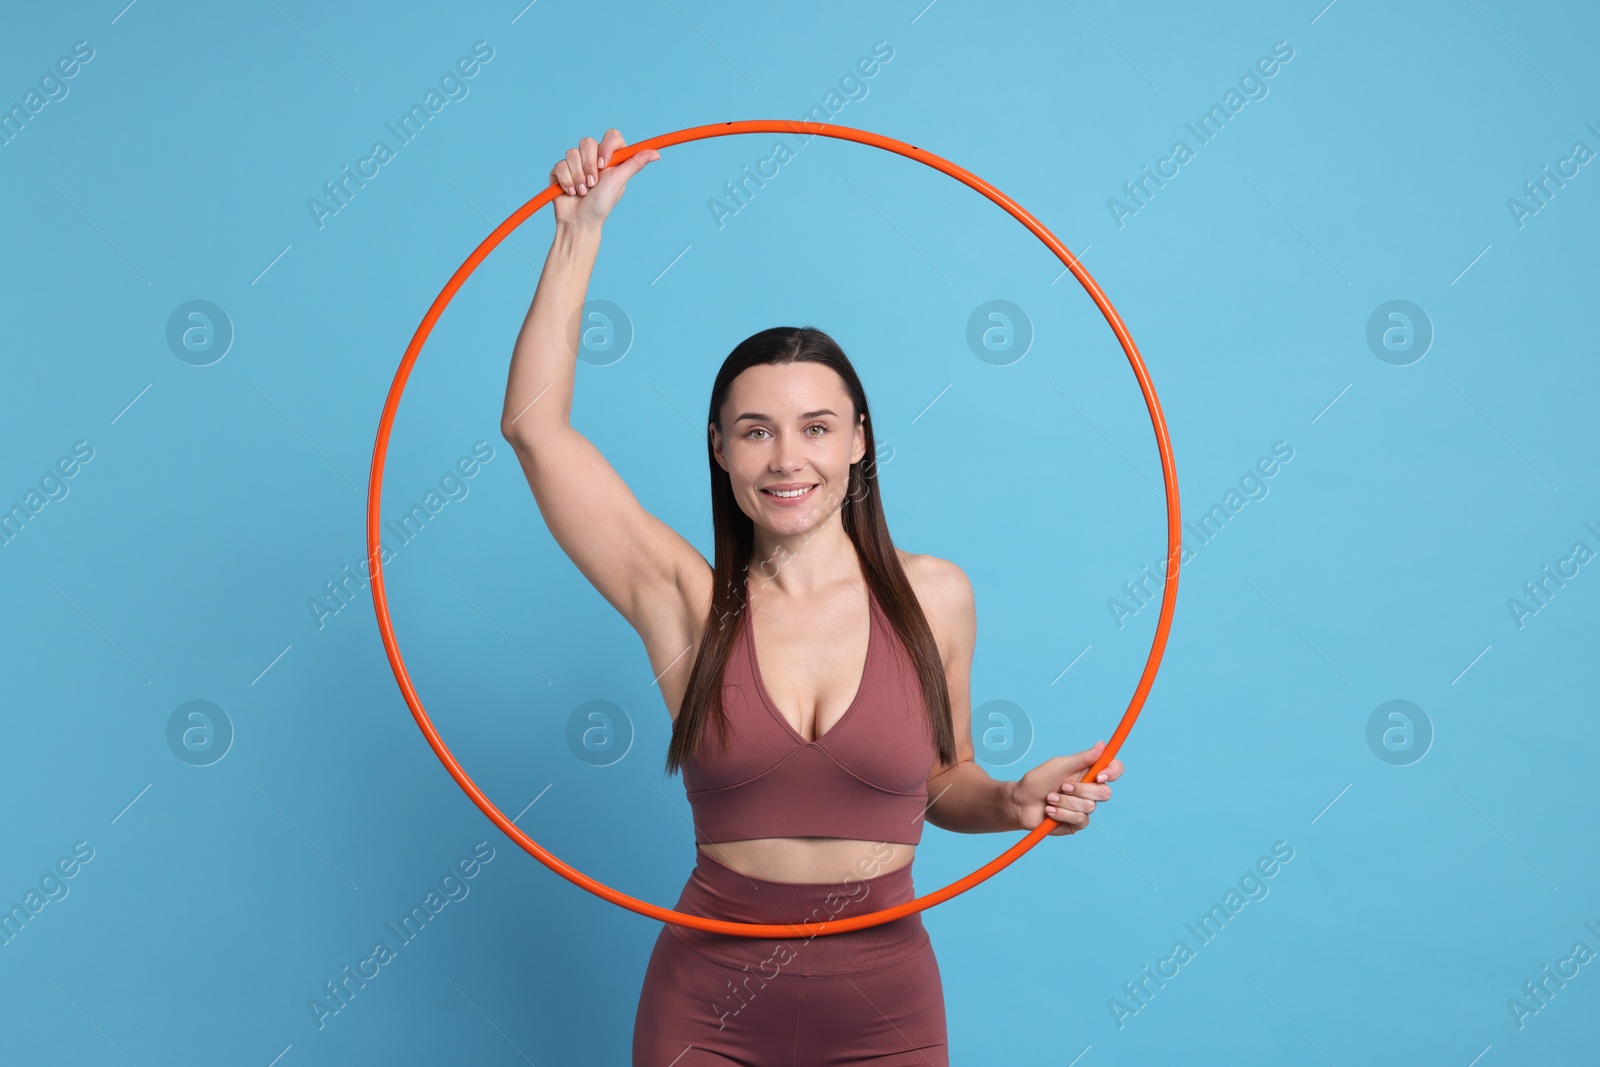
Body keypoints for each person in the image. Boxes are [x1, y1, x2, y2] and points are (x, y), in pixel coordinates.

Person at [500, 129, 1126, 1066]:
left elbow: (945, 781)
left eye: (815, 427)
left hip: (885, 1007)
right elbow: (535, 429)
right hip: (706, 1002)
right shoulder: (682, 599)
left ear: (860, 440)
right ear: (720, 449)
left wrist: (1011, 800)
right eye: (755, 431)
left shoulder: (933, 595)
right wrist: (577, 234)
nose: (787, 459)